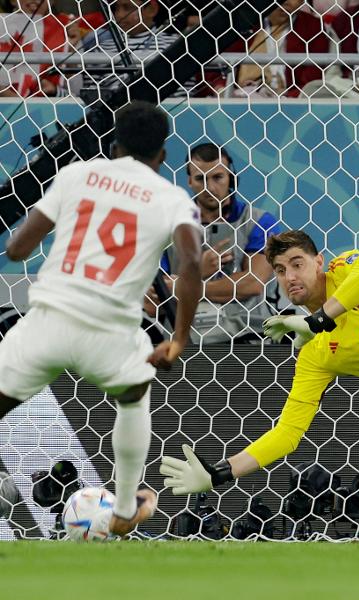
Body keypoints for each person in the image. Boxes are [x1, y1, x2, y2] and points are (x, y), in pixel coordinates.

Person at [1, 100, 202, 536]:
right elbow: (190, 264)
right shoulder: (173, 200)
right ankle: (126, 507)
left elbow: (17, 249)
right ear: (163, 156)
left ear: (113, 145)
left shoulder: (76, 175)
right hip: (110, 332)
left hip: (49, 320)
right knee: (134, 396)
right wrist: (180, 338)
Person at [160, 229, 359, 495]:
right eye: (281, 271)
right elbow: (287, 433)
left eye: (298, 264)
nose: (290, 277)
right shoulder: (316, 355)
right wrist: (219, 473)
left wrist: (317, 320)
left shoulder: (344, 270)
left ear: (319, 262)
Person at [145, 143, 281, 343]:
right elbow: (151, 303)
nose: (210, 187)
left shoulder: (260, 222)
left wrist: (183, 286)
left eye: (217, 177)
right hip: (185, 341)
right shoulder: (168, 230)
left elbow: (252, 284)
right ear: (190, 181)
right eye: (201, 178)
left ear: (231, 177)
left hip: (249, 336)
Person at [235, 0, 328, 98]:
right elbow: (221, 71)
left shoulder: (312, 25)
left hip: (291, 100)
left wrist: (286, 95)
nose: (285, 2)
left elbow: (313, 78)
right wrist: (222, 88)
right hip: (241, 97)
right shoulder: (244, 21)